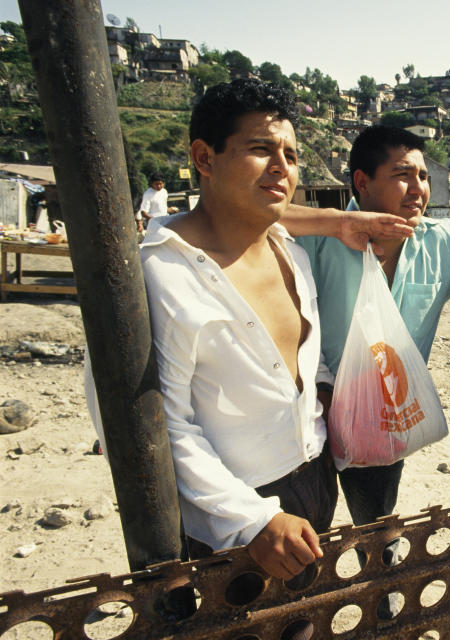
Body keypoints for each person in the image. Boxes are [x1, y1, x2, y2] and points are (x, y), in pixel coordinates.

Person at [86, 79, 413, 584]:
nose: (282, 166)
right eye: (261, 149)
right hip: (227, 516)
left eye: (290, 153)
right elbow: (149, 429)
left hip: (312, 482)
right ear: (204, 157)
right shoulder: (156, 278)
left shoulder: (291, 254)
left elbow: (307, 357)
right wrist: (253, 519)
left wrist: (326, 397)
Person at [291, 125, 450, 569]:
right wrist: (338, 223)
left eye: (424, 177)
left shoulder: (437, 242)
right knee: (305, 540)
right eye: (403, 175)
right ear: (361, 182)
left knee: (378, 533)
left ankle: (384, 604)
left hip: (382, 423)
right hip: (308, 420)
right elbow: (248, 216)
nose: (419, 189)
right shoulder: (316, 240)